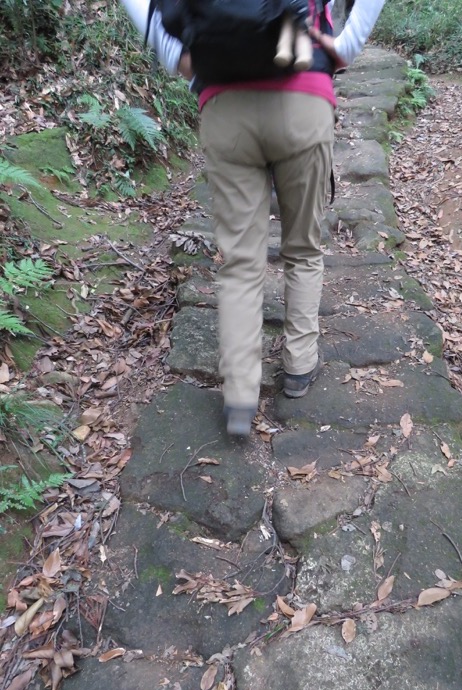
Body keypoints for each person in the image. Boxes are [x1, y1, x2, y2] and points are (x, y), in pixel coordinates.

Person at [121, 0, 386, 436]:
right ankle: (299, 365)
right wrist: (344, 46)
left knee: (242, 261)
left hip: (225, 108)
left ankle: (240, 395)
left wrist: (177, 57)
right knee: (302, 246)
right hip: (304, 98)